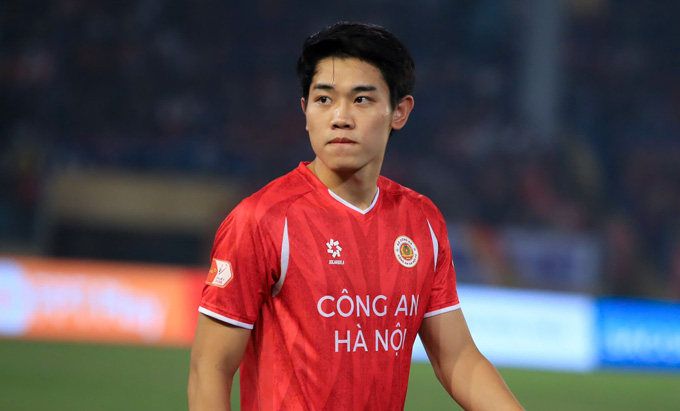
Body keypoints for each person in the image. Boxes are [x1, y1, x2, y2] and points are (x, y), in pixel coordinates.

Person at [188, 22, 523, 410]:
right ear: (305, 111)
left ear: (399, 112)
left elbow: (458, 359)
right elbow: (209, 368)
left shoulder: (422, 220)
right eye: (324, 99)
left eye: (361, 99)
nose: (340, 117)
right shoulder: (262, 219)